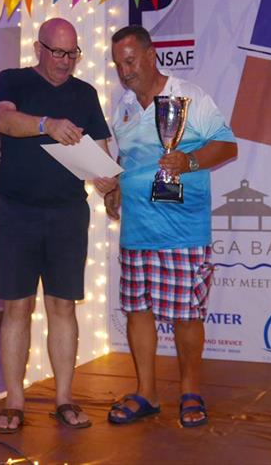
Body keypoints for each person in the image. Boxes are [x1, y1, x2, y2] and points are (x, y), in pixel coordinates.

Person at [105, 25, 237, 428]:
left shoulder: (190, 96)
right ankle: (146, 392)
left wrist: (190, 161)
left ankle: (189, 391)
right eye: (117, 64)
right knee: (137, 311)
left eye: (130, 61)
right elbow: (127, 161)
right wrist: (115, 190)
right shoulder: (122, 106)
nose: (124, 71)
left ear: (151, 54)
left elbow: (227, 145)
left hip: (183, 229)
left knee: (186, 314)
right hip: (137, 229)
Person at [0, 18, 114, 432]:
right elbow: (4, 121)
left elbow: (100, 152)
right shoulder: (13, 79)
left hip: (67, 214)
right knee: (17, 308)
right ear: (39, 49)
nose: (65, 62)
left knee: (62, 307)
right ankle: (14, 401)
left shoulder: (85, 94)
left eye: (72, 53)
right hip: (16, 213)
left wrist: (107, 183)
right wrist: (46, 124)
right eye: (58, 52)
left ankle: (64, 398)